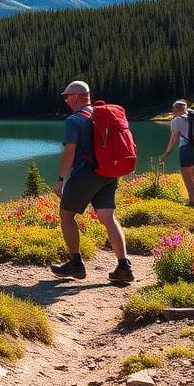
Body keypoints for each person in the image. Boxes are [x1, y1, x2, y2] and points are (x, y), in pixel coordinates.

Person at [50, 80, 134, 283]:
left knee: (66, 216)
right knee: (108, 218)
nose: (66, 99)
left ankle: (76, 264)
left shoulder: (74, 120)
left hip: (85, 175)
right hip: (108, 173)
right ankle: (124, 266)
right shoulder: (101, 115)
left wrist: (61, 179)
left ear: (77, 96)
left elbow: (69, 152)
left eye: (67, 96)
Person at [160, 99, 194, 208]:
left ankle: (192, 202)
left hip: (186, 149)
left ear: (175, 110)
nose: (172, 110)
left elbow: (173, 139)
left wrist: (166, 153)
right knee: (192, 175)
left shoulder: (177, 120)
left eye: (173, 109)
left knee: (186, 177)